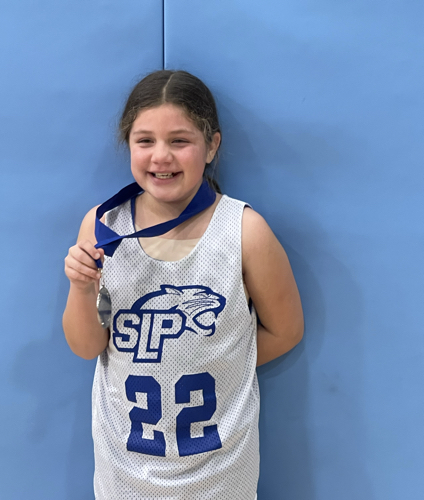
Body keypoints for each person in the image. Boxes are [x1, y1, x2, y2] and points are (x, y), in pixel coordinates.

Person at [63, 70, 304, 499]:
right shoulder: (102, 225)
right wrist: (81, 288)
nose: (161, 156)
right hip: (125, 476)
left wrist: (218, 361)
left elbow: (286, 330)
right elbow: (86, 347)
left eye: (179, 141)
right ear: (127, 144)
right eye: (145, 141)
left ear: (212, 145)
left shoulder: (245, 231)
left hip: (220, 477)